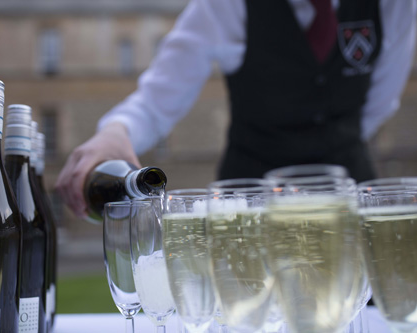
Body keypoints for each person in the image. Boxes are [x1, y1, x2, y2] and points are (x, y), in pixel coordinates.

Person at [56, 0, 416, 219]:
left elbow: (380, 104)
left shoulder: (395, 4)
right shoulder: (227, 4)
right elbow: (158, 97)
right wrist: (116, 132)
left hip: (349, 202)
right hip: (248, 207)